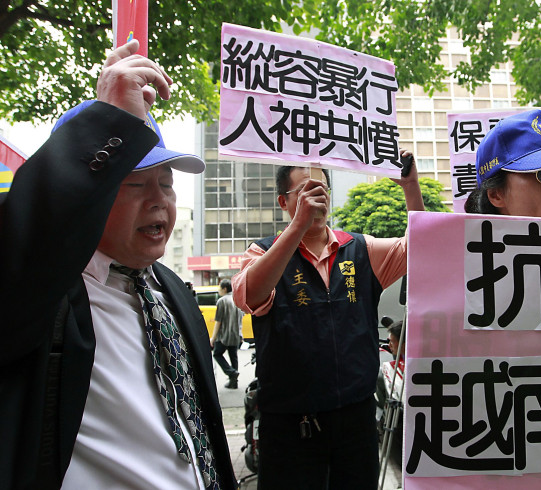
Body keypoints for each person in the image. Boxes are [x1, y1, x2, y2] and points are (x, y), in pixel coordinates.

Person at [0, 40, 236, 489]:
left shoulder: (170, 289)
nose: (159, 201)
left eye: (166, 183)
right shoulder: (43, 293)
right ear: (88, 191)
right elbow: (28, 237)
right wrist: (108, 122)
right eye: (135, 183)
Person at [231, 157, 424, 488]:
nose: (316, 196)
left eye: (321, 188)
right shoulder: (263, 253)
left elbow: (423, 246)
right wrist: (297, 228)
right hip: (290, 426)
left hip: (356, 420)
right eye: (305, 189)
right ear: (284, 202)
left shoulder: (360, 249)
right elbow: (248, 295)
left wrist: (410, 187)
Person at [210, 279, 243, 389]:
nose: (219, 290)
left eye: (220, 288)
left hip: (224, 336)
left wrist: (213, 338)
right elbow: (240, 320)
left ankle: (231, 372)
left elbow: (218, 321)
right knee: (233, 357)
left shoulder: (222, 301)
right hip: (235, 335)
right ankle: (234, 382)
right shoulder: (237, 300)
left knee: (217, 354)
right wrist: (241, 334)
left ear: (224, 289)